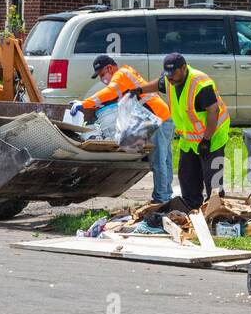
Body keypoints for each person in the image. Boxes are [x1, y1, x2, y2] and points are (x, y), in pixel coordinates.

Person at [71, 54, 174, 203]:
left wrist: (84, 103)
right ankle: (166, 196)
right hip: (162, 117)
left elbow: (110, 92)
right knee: (165, 160)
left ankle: (161, 199)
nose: (102, 80)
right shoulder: (125, 73)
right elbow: (114, 97)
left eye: (102, 75)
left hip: (158, 120)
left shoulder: (121, 74)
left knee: (158, 161)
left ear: (110, 68)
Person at [137, 52, 231, 207]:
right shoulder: (170, 79)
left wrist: (206, 140)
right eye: (167, 74)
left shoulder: (200, 84)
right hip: (190, 138)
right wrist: (139, 90)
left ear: (183, 68)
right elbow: (158, 83)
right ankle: (192, 207)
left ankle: (216, 211)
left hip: (213, 135)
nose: (169, 78)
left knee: (212, 178)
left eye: (172, 73)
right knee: (187, 175)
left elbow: (214, 111)